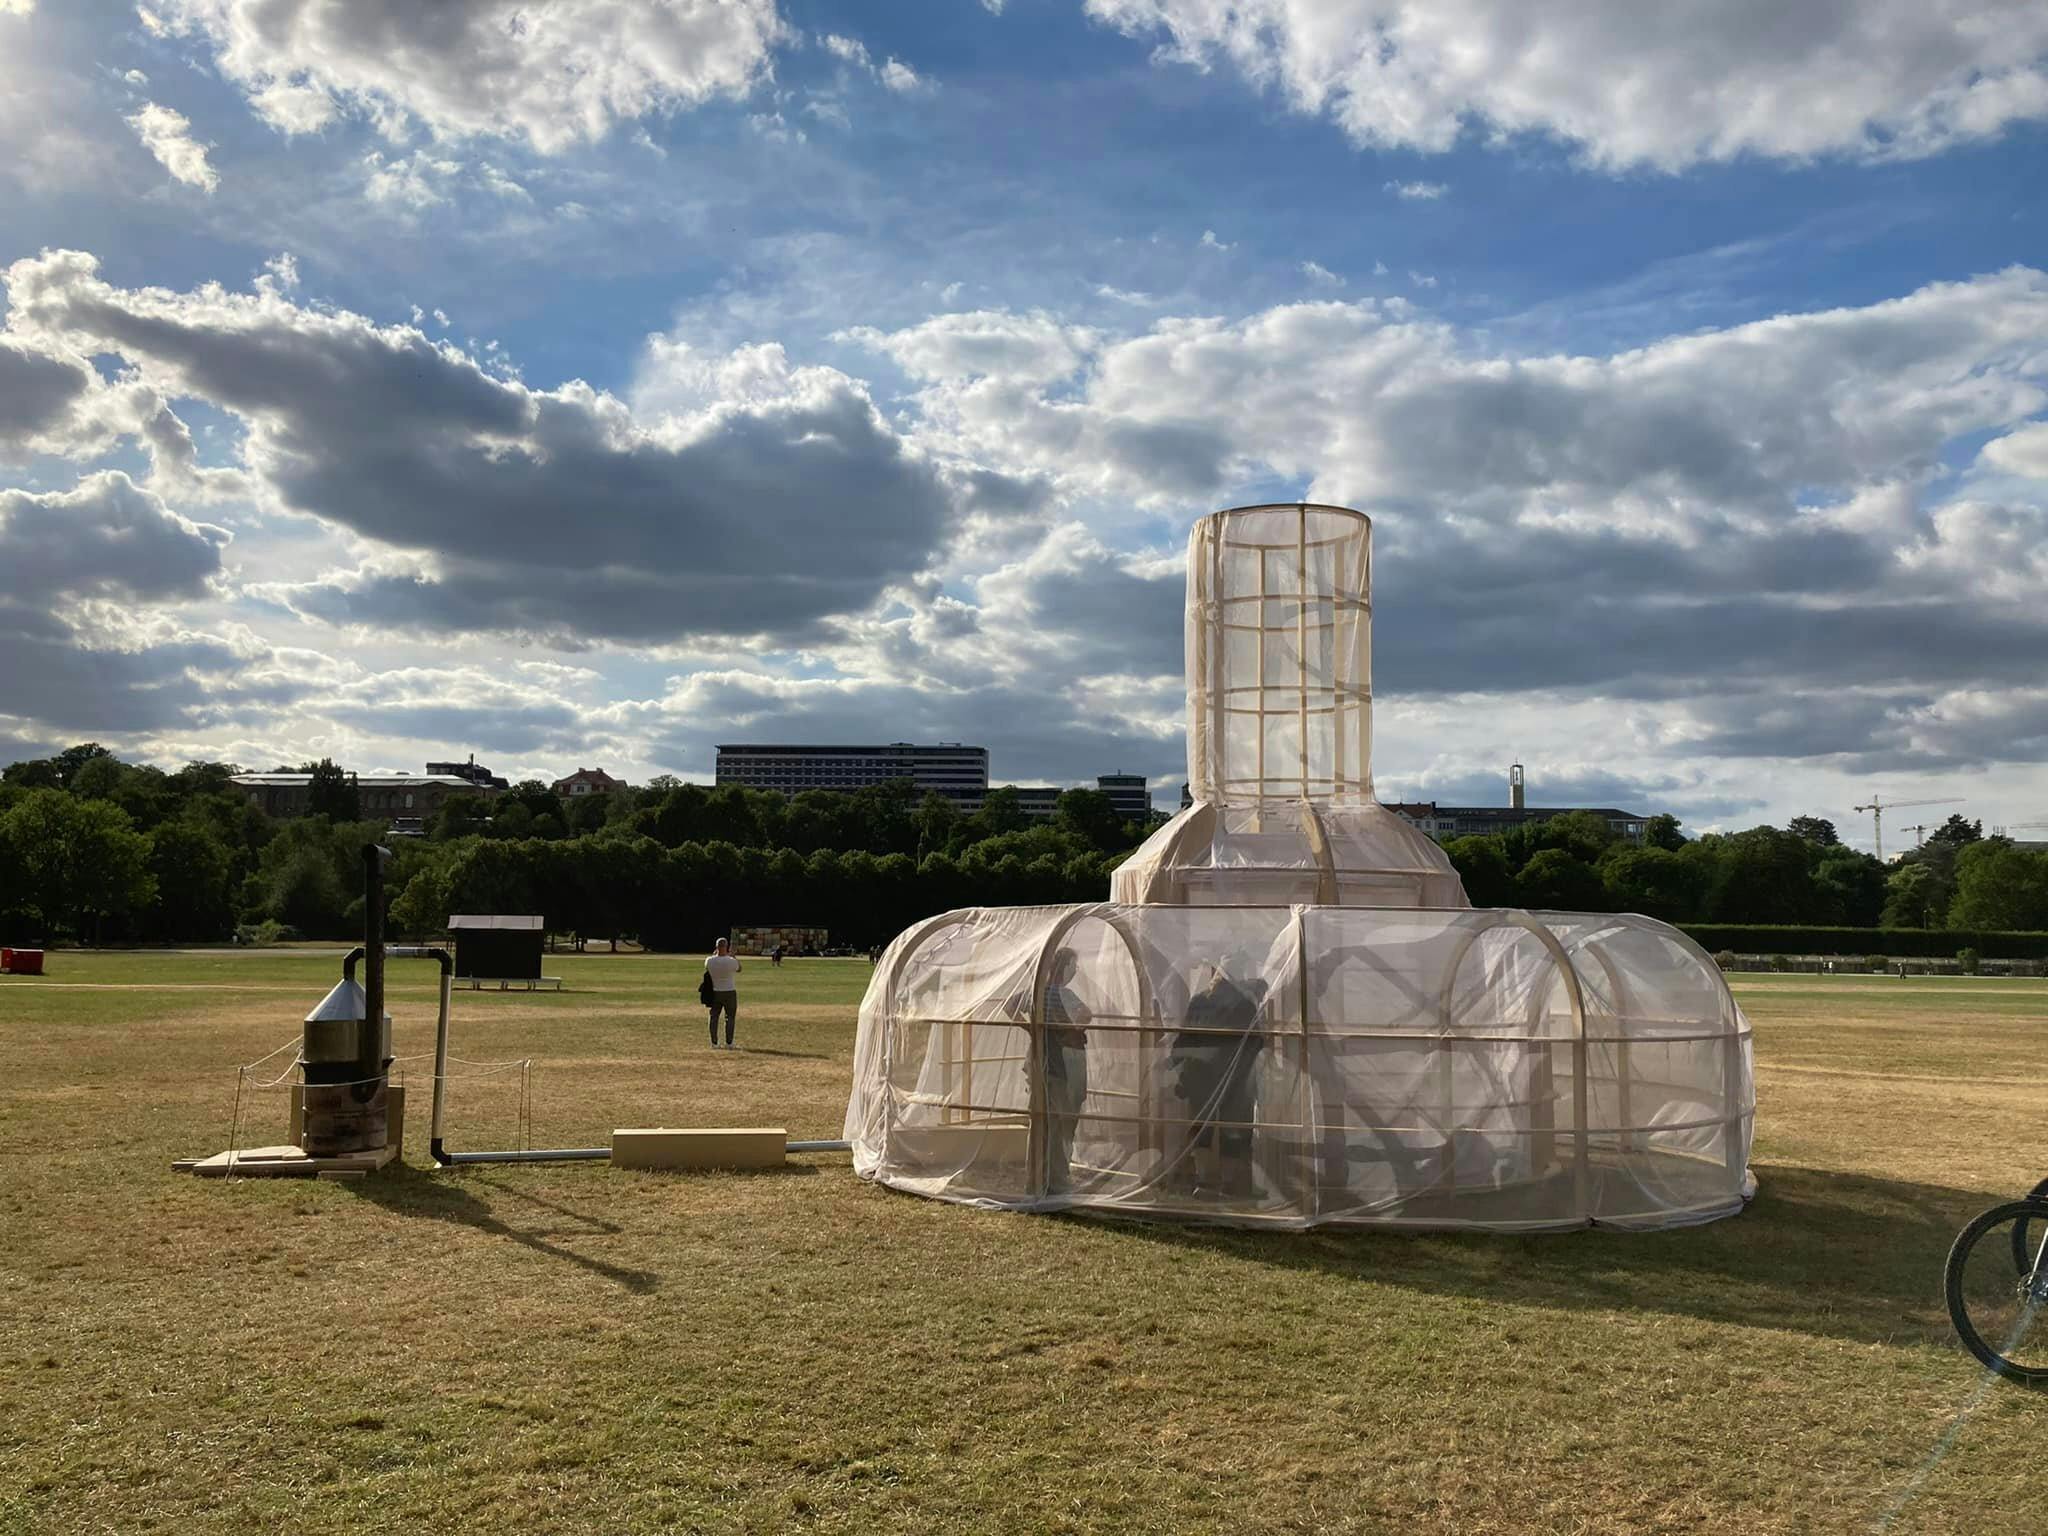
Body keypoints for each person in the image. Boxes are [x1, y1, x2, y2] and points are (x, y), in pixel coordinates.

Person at [1168, 966, 1265, 1198]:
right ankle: (1229, 1184)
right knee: (1233, 1131)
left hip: (1199, 1074)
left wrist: (1175, 1063)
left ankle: (1203, 1180)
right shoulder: (1244, 1004)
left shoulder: (1199, 1000)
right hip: (1234, 1077)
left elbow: (1185, 1038)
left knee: (1201, 1128)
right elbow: (1256, 1042)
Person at [1041, 949, 1091, 1195]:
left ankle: (1046, 1173)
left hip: (1046, 1063)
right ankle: (1058, 1175)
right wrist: (1071, 1029)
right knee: (1064, 1121)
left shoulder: (1039, 992)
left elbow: (1011, 1005)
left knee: (1048, 1121)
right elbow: (1086, 1014)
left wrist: (1032, 1030)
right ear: (1066, 966)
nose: (1075, 971)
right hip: (1062, 1064)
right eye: (1074, 965)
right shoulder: (1063, 994)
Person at [703, 937, 741, 1048]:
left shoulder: (709, 960)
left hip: (715, 992)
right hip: (729, 991)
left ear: (716, 947)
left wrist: (715, 955)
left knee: (714, 1017)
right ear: (727, 947)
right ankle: (729, 1042)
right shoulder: (731, 961)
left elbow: (707, 967)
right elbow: (739, 968)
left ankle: (714, 1042)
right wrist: (732, 955)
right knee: (730, 1018)